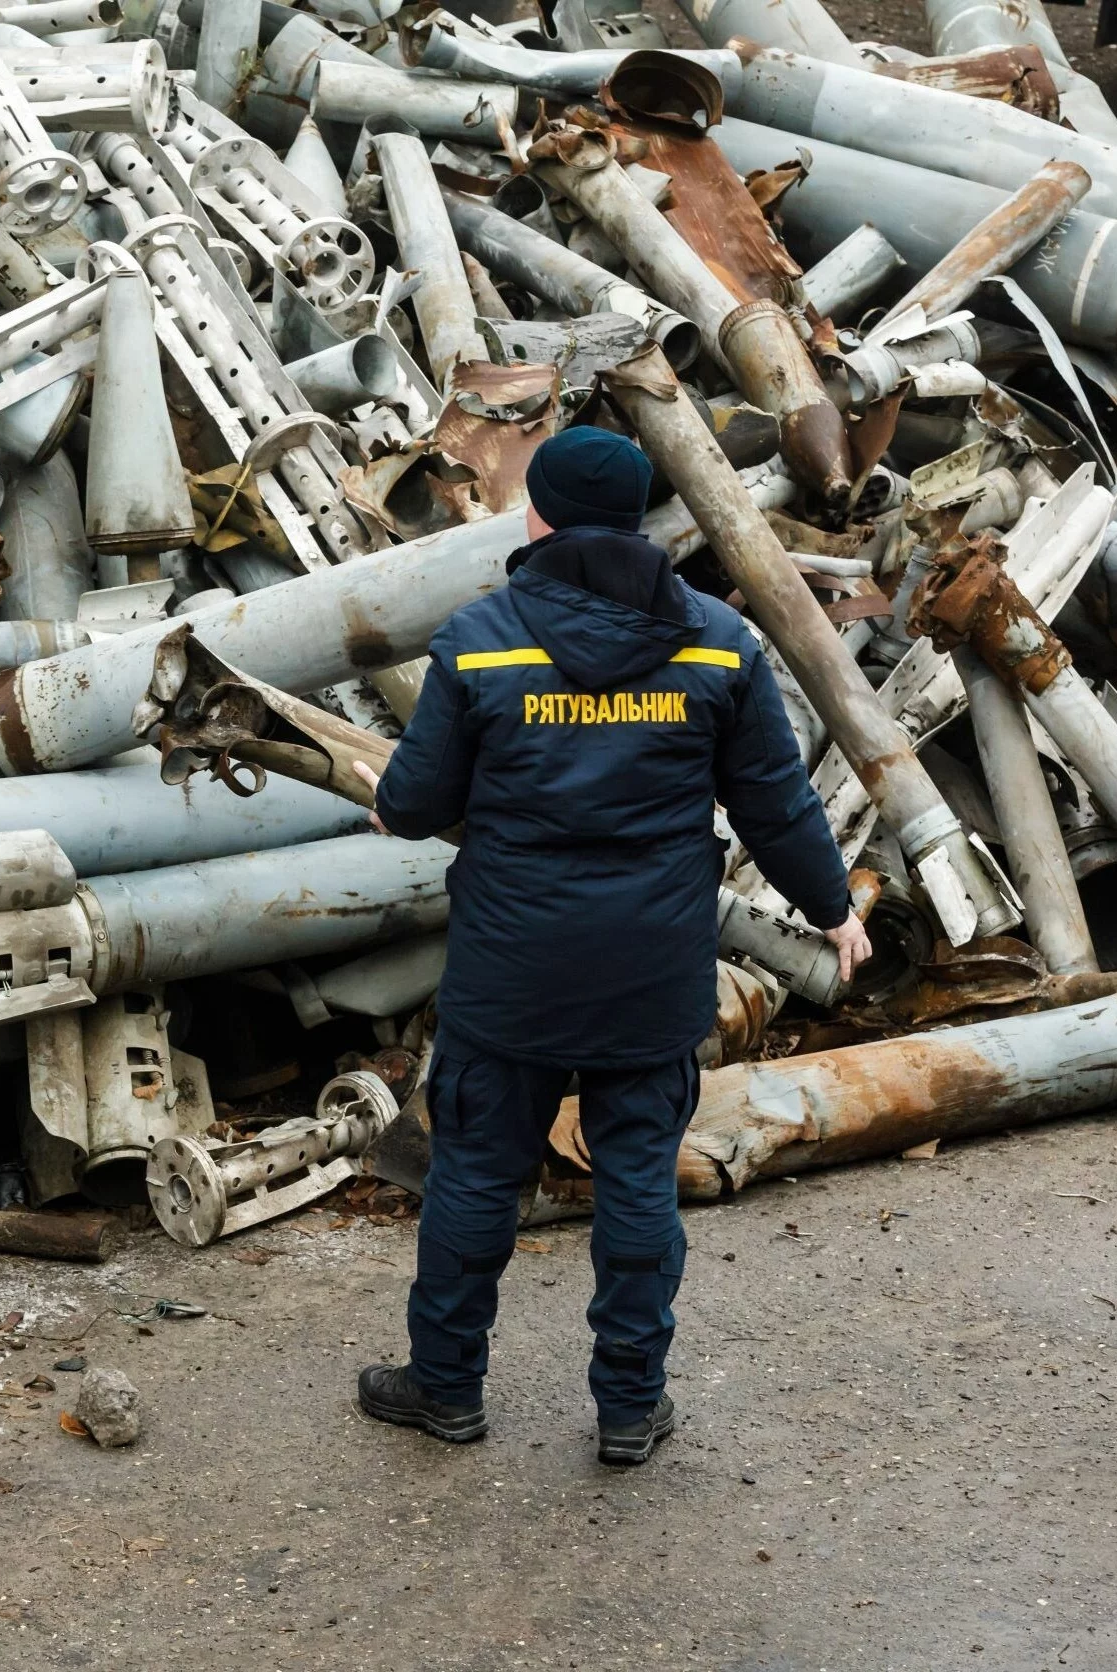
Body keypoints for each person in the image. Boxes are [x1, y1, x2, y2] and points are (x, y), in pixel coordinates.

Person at [351, 424, 870, 1466]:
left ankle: (445, 1387)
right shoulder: (717, 642)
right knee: (636, 1179)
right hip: (650, 967)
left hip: (514, 969)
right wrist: (832, 907)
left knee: (476, 1173)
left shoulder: (481, 639)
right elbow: (774, 801)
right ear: (638, 522)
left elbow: (417, 801)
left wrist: (390, 802)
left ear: (536, 516)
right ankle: (630, 1407)